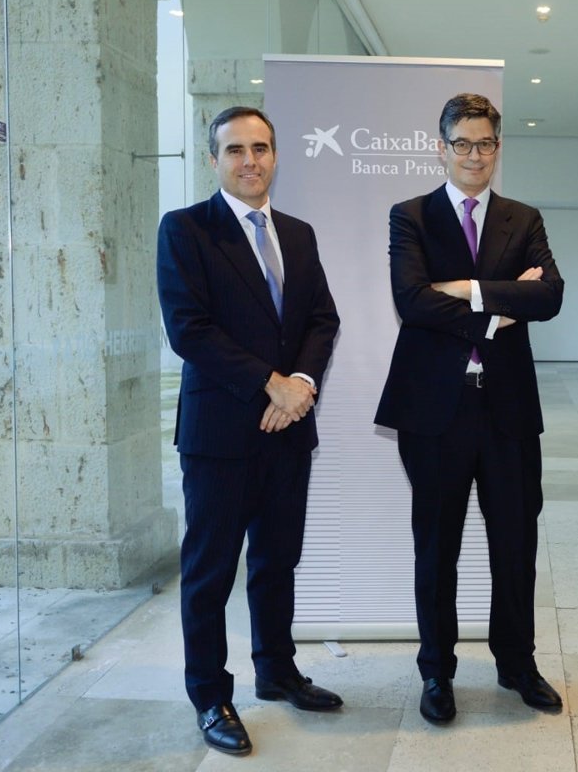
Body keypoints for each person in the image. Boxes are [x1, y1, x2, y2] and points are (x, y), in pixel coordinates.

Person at [375, 93, 565, 724]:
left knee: (516, 543)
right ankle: (437, 671)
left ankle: (517, 664)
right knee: (437, 548)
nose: (474, 155)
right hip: (434, 412)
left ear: (498, 148)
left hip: (508, 410)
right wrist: (501, 308)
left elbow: (551, 297)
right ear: (442, 148)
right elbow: (412, 300)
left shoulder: (522, 218)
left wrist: (465, 289)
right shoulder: (411, 216)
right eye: (462, 143)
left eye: (485, 144)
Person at [157, 106, 341, 756]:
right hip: (219, 436)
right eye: (235, 149)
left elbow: (322, 319)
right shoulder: (186, 229)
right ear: (214, 160)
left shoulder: (298, 233)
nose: (249, 160)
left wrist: (302, 386)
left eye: (260, 148)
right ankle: (210, 696)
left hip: (288, 430)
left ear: (276, 156)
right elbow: (190, 330)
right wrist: (272, 383)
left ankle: (277, 671)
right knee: (210, 573)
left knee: (276, 561)